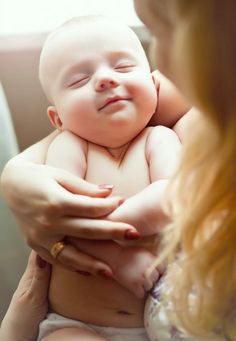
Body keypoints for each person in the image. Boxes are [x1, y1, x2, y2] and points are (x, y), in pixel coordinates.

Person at [35, 14, 184, 340]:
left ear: (154, 84)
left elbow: (172, 193)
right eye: (77, 80)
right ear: (57, 118)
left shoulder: (158, 139)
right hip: (76, 323)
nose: (104, 79)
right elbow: (61, 213)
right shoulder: (70, 146)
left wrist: (108, 224)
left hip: (157, 326)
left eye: (122, 67)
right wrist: (117, 257)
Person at [133, 1, 236, 340]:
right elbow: (102, 119)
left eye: (158, 33)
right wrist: (20, 175)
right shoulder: (206, 113)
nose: (155, 62)